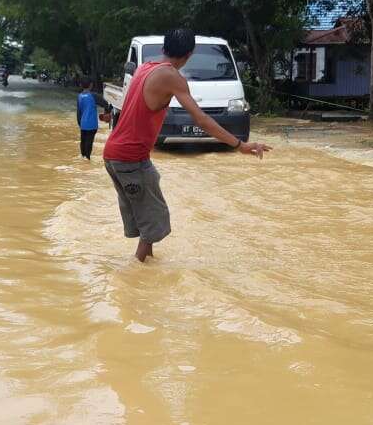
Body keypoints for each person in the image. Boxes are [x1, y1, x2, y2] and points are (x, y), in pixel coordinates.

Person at [103, 28, 271, 262]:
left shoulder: (145, 67)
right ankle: (138, 274)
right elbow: (201, 119)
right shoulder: (172, 77)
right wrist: (239, 145)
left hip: (114, 155)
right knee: (154, 220)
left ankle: (143, 273)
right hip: (130, 158)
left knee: (147, 217)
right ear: (189, 53)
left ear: (164, 49)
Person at [76, 87, 100, 159]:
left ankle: (83, 160)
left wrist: (80, 123)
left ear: (80, 85)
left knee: (83, 143)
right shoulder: (94, 95)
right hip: (92, 125)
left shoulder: (79, 96)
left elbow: (78, 112)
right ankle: (87, 160)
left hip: (83, 124)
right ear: (91, 85)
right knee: (89, 144)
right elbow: (105, 104)